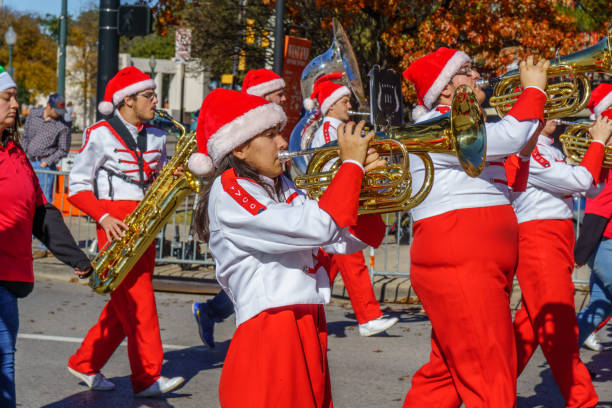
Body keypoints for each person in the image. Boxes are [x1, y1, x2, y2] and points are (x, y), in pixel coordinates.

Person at [187, 88, 386, 407]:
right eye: (270, 134)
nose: (282, 143)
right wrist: (350, 167)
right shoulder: (230, 188)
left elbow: (342, 241)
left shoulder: (282, 186)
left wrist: (368, 189)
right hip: (270, 330)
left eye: (279, 133)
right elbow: (314, 226)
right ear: (238, 147)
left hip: (307, 322)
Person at [401, 48, 548, 407]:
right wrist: (534, 91)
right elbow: (509, 137)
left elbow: (510, 183)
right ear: (445, 89)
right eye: (466, 71)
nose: (477, 76)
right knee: (490, 375)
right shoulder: (435, 126)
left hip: (476, 258)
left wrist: (527, 147)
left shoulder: (471, 127)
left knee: (447, 374)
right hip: (462, 257)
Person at [66, 67, 184, 397]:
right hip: (115, 224)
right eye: (148, 96)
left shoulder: (159, 137)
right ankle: (147, 377)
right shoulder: (100, 133)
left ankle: (85, 361)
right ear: (127, 100)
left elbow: (160, 180)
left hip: (145, 222)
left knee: (125, 307)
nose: (155, 101)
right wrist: (103, 218)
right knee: (139, 300)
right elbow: (76, 186)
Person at [0, 66, 92, 408]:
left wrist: (77, 258)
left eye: (15, 97)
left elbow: (41, 211)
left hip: (11, 276)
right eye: (7, 97)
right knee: (3, 366)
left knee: (5, 363)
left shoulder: (15, 152)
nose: (15, 104)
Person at [511, 116, 612, 407]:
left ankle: (492, 388)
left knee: (528, 330)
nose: (556, 115)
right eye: (548, 107)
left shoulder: (553, 149)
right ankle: (582, 400)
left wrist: (600, 151)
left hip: (556, 240)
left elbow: (590, 188)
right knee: (561, 329)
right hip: (539, 239)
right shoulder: (528, 149)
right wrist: (597, 142)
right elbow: (579, 179)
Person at [192, 68, 288, 348]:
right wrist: (351, 172)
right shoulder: (234, 184)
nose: (284, 97)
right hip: (264, 326)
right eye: (272, 135)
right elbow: (307, 226)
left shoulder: (262, 152)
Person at [305, 72, 399, 336]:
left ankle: (311, 311)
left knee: (327, 262)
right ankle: (368, 317)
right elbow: (333, 167)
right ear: (331, 105)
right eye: (345, 101)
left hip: (342, 200)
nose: (350, 106)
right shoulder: (328, 130)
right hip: (336, 203)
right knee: (349, 256)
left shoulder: (338, 128)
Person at [574, 83, 612, 355]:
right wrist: (581, 252)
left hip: (603, 243)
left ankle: (562, 347)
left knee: (603, 302)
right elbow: (598, 207)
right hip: (603, 244)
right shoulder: (605, 162)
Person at [21, 93, 71, 202]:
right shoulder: (34, 114)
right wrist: (22, 156)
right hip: (26, 162)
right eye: (56, 111)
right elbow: (25, 136)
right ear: (49, 106)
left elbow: (63, 149)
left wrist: (46, 162)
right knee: (24, 197)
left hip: (44, 167)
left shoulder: (63, 126)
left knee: (43, 200)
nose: (59, 114)